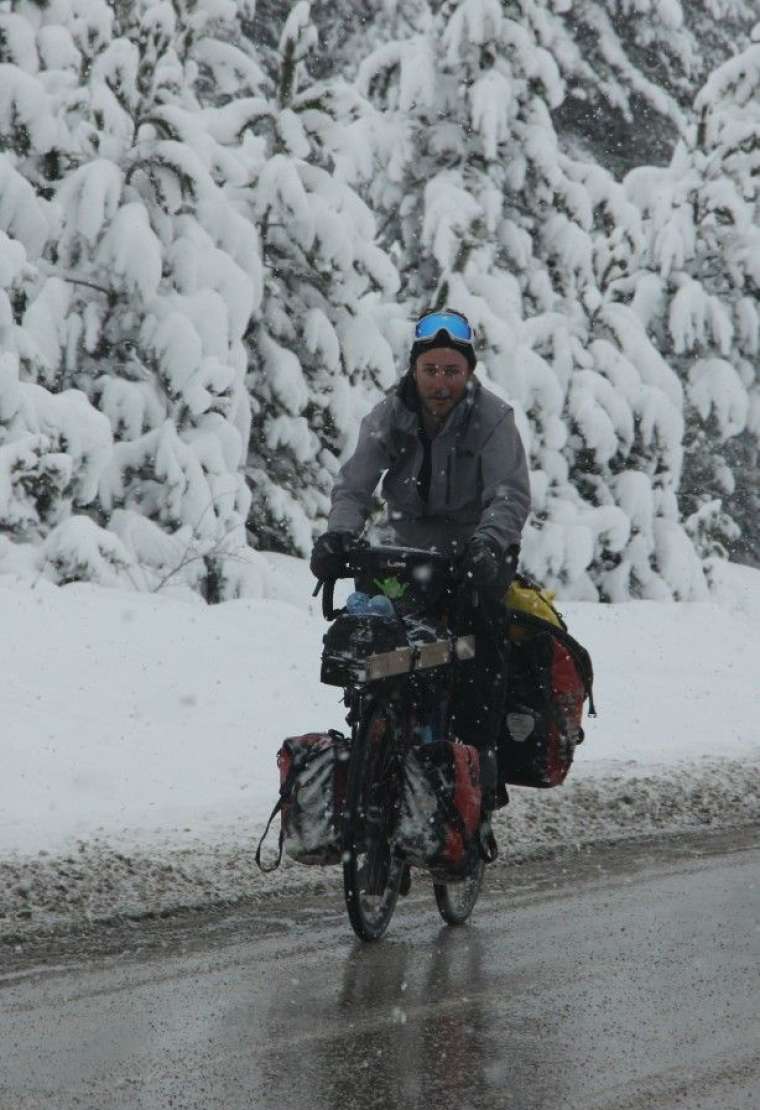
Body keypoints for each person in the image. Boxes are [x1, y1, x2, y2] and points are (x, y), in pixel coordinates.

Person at [310, 308, 531, 861]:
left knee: (481, 652)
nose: (440, 382)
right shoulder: (391, 414)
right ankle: (374, 742)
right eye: (430, 369)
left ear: (468, 372)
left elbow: (509, 495)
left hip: (472, 556)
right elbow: (356, 483)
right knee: (372, 640)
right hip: (402, 552)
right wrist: (339, 535)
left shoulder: (493, 420)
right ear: (414, 369)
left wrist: (488, 545)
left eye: (451, 371)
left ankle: (479, 773)